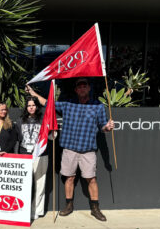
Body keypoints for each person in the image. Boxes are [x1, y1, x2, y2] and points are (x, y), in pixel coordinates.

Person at [26, 78, 114, 221]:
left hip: (88, 149)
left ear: (89, 88)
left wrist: (107, 128)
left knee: (91, 179)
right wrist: (32, 92)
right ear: (76, 90)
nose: (82, 88)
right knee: (69, 178)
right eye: (79, 86)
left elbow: (103, 126)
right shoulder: (68, 104)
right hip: (69, 149)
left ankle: (95, 208)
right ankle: (69, 205)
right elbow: (47, 104)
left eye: (85, 85)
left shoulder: (98, 106)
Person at [15, 96, 48, 220]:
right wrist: (17, 155)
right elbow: (17, 140)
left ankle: (37, 210)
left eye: (33, 105)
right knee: (25, 184)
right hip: (25, 155)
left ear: (37, 106)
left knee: (40, 183)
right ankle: (25, 209)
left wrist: (52, 132)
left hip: (41, 155)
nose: (31, 107)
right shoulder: (20, 121)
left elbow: (50, 137)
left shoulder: (43, 120)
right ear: (26, 107)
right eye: (29, 105)